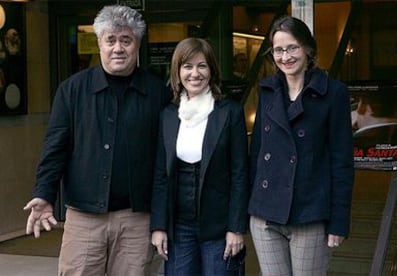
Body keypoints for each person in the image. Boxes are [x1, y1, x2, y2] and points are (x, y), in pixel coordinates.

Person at [23, 5, 171, 275]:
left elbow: (164, 162)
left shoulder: (156, 92)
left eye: (126, 40)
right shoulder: (72, 90)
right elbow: (54, 149)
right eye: (110, 40)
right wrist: (44, 194)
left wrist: (161, 218)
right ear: (99, 43)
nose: (118, 48)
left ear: (137, 44)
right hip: (84, 217)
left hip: (136, 219)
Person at [248, 15, 354, 275]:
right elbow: (257, 154)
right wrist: (246, 209)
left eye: (292, 47)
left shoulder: (333, 93)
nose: (286, 56)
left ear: (308, 48)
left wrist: (338, 222)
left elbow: (342, 163)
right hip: (265, 214)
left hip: (309, 214)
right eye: (278, 50)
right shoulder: (267, 91)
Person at [150, 37, 249, 276]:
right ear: (177, 71)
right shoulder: (168, 115)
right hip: (179, 227)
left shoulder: (230, 112)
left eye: (202, 66)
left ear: (212, 70)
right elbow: (161, 176)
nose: (195, 73)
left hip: (219, 227)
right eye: (188, 66)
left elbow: (240, 174)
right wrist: (159, 226)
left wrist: (236, 228)